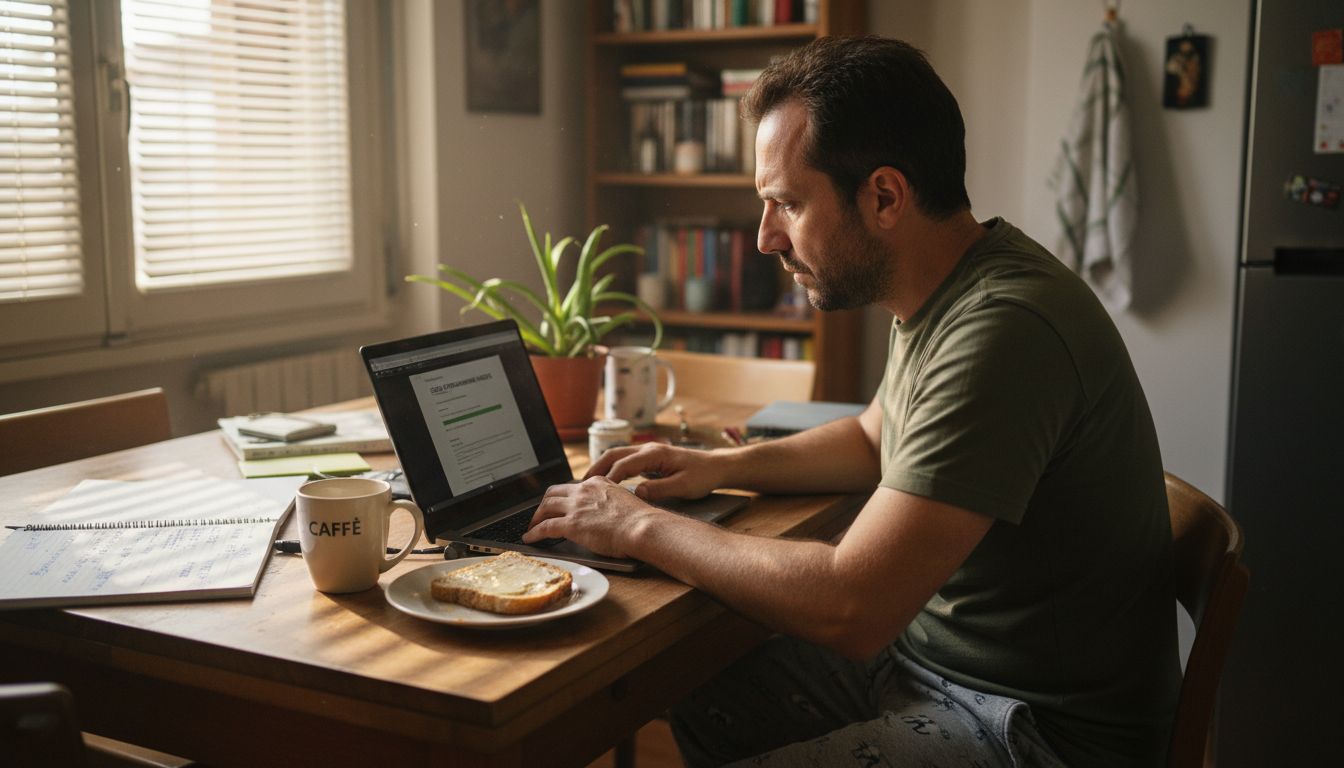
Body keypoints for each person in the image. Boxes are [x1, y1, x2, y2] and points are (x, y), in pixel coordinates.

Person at [524, 35, 1179, 768]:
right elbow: (875, 439)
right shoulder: (944, 289)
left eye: (787, 204)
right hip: (939, 669)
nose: (767, 238)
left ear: (885, 196)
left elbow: (853, 604)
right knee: (691, 680)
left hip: (1036, 732)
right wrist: (709, 467)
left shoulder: (1004, 330)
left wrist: (639, 527)